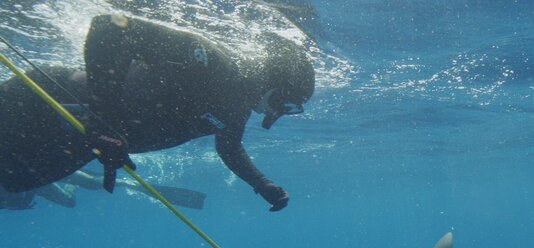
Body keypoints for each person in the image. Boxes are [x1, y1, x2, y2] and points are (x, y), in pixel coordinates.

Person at [0, 13, 315, 212]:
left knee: (15, 184)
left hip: (76, 140)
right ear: (275, 81)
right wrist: (103, 120)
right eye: (287, 105)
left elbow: (229, 147)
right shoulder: (212, 62)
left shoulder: (236, 108)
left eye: (292, 111)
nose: (276, 116)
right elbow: (108, 26)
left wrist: (261, 184)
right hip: (43, 101)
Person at [0, 170, 207, 210]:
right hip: (34, 185)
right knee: (69, 202)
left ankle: (126, 183)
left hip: (38, 172)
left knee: (91, 182)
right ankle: (75, 179)